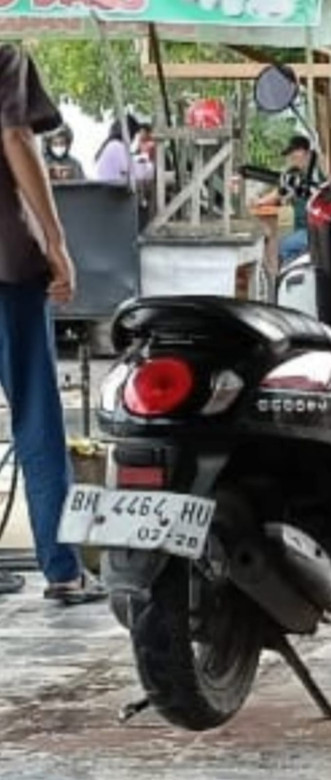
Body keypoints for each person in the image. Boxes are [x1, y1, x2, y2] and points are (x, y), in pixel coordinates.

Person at [0, 44, 106, 603]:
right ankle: (63, 571)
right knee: (37, 415)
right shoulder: (5, 59)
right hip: (6, 267)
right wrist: (57, 242)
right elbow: (17, 138)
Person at [254, 134, 325, 267]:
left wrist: (259, 202)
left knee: (283, 246)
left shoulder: (312, 176)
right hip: (306, 230)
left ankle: (291, 274)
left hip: (312, 233)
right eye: (290, 155)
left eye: (294, 154)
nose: (292, 158)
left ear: (306, 153)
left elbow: (277, 194)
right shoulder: (300, 174)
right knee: (286, 245)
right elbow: (282, 191)